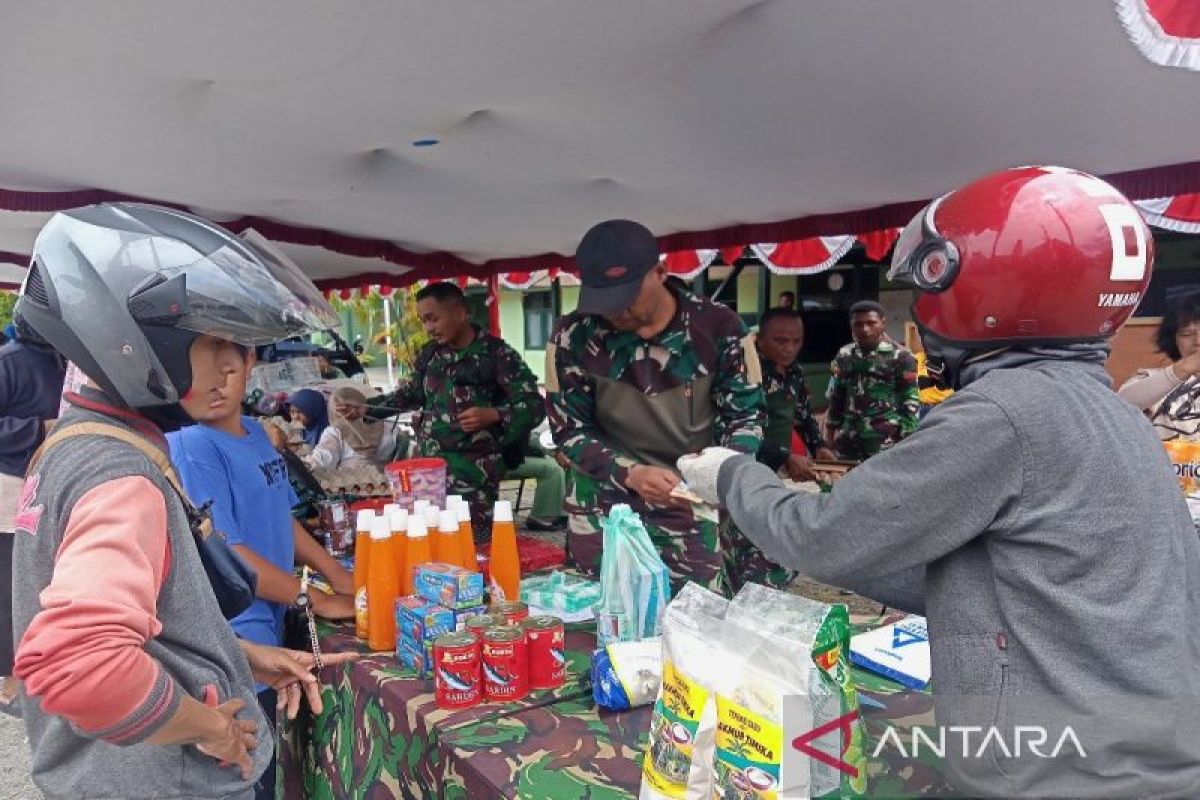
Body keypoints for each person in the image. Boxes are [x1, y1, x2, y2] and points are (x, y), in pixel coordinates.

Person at [678, 166, 1200, 797]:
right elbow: (1013, 580)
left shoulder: (1003, 414)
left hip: (1054, 771)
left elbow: (822, 539)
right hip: (1139, 754)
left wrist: (733, 477)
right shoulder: (1115, 413)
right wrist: (854, 533)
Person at [9, 203, 356, 799]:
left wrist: (236, 656)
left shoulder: (77, 445)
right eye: (212, 340)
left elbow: (148, 627)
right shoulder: (120, 474)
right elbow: (79, 662)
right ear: (125, 341)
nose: (233, 364)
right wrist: (210, 728)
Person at [547, 219, 777, 595]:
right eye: (603, 300)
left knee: (695, 614)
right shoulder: (574, 334)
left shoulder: (719, 327)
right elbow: (569, 431)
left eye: (626, 295)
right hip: (605, 498)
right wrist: (630, 473)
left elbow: (746, 418)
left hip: (691, 498)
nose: (614, 311)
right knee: (605, 614)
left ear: (660, 272)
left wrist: (711, 476)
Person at [168, 340, 355, 800]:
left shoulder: (253, 432)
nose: (214, 385)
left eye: (227, 369)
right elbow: (228, 550)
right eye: (197, 375)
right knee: (240, 771)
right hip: (233, 634)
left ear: (250, 363)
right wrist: (314, 596)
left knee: (265, 763)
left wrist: (336, 571)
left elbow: (281, 517)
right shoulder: (191, 445)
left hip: (267, 628)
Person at [368, 282, 544, 539]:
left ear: (460, 313)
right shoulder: (430, 354)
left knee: (474, 552)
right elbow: (412, 394)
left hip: (474, 481)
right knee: (433, 547)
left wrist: (494, 415)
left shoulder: (496, 355)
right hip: (429, 478)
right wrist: (368, 408)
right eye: (423, 321)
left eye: (433, 319)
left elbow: (534, 405)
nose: (428, 328)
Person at [0, 315, 66, 715]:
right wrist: (38, 429)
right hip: (9, 488)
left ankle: (39, 667)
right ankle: (11, 674)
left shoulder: (69, 363)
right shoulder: (8, 362)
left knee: (44, 580)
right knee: (11, 585)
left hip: (50, 484)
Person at [823, 300, 919, 460]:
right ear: (851, 326)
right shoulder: (845, 355)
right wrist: (830, 432)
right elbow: (837, 396)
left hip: (886, 441)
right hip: (849, 438)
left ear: (883, 323)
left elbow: (910, 401)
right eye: (858, 324)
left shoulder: (901, 357)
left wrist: (907, 439)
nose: (865, 329)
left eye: (871, 323)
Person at [754, 307, 834, 481]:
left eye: (797, 341)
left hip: (783, 468)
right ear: (760, 339)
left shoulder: (794, 370)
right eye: (781, 341)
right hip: (751, 467)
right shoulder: (746, 372)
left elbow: (803, 413)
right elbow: (741, 429)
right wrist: (784, 457)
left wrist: (818, 446)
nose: (790, 348)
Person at [1118, 290, 1200, 439]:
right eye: (1187, 334)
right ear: (1173, 340)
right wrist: (1183, 369)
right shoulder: (1152, 379)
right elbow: (1118, 407)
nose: (1198, 342)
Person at [305, 386, 398, 471]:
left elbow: (325, 457)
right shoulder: (388, 426)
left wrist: (310, 464)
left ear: (333, 411)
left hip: (350, 484)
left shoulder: (334, 432)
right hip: (387, 481)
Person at [506, 425, 568, 532]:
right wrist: (555, 452)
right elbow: (528, 436)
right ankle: (543, 516)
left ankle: (560, 511)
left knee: (555, 463)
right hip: (495, 460)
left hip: (511, 455)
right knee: (552, 469)